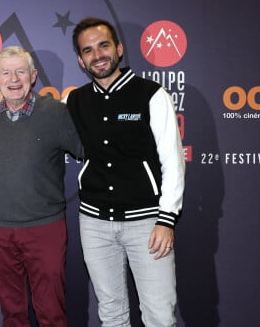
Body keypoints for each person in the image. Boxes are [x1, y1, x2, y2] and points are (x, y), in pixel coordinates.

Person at [66, 17, 185, 326]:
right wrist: (3, 101)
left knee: (159, 316)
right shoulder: (74, 100)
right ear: (81, 60)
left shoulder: (151, 94)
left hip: (147, 225)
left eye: (104, 45)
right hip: (93, 223)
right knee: (111, 314)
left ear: (118, 48)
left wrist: (166, 219)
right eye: (88, 50)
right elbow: (38, 122)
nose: (98, 55)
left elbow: (173, 161)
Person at [0, 46, 83, 327]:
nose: (13, 79)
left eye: (20, 71)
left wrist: (87, 107)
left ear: (33, 76)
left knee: (52, 312)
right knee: (12, 313)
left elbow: (88, 148)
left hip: (45, 228)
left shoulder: (55, 112)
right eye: (6, 72)